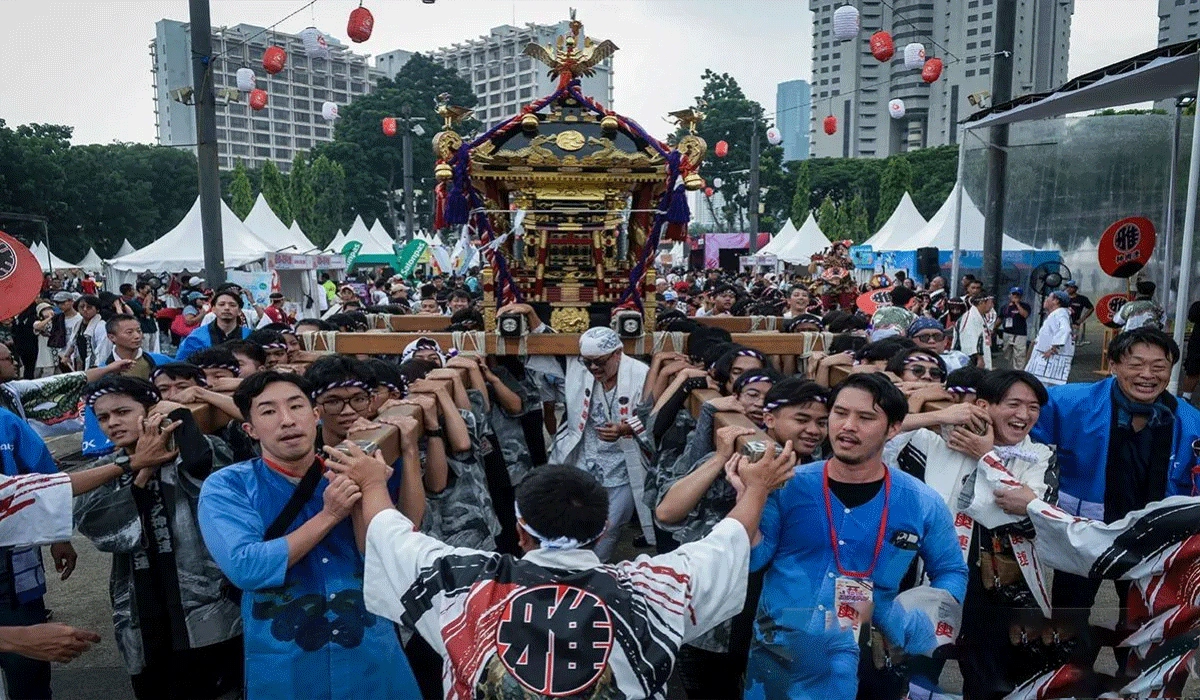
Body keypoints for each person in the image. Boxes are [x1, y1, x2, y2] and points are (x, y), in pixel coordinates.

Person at [347, 438, 794, 700]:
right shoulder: (650, 589)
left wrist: (371, 481)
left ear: (519, 531)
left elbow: (390, 533)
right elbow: (726, 542)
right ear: (603, 528)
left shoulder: (463, 582)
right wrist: (754, 489)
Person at [197, 371, 422, 699]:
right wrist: (329, 515)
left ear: (315, 415)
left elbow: (392, 552)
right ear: (250, 429)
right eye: (269, 412)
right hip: (286, 663)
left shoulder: (350, 467)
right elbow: (246, 567)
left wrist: (400, 457)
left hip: (371, 654)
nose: (287, 420)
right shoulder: (227, 487)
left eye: (296, 406)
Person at [744, 373, 968, 700]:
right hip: (783, 653)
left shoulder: (920, 502)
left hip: (875, 655)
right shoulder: (787, 485)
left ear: (893, 428)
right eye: (839, 413)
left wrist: (919, 625)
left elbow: (951, 570)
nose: (848, 425)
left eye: (865, 418)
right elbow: (753, 559)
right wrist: (750, 496)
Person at [1030, 327, 1200, 673]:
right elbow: (1018, 427)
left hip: (1151, 544)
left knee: (1143, 620)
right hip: (1082, 533)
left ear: (1171, 370)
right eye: (1136, 364)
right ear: (1114, 365)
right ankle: (1064, 680)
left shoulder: (1190, 420)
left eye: (1159, 367)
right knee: (1069, 617)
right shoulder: (1069, 402)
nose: (1147, 376)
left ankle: (1134, 683)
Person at [889, 370, 1057, 698]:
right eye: (1014, 404)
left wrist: (986, 457)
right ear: (982, 405)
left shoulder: (1041, 456)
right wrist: (931, 412)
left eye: (1033, 407)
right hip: (935, 577)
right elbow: (878, 441)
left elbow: (1031, 519)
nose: (1024, 415)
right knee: (914, 672)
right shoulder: (936, 440)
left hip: (1003, 588)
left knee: (992, 679)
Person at [74, 376, 242, 699]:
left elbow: (216, 485)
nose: (113, 423)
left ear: (150, 411)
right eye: (103, 418)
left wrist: (184, 423)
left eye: (122, 412)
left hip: (207, 610)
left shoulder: (198, 449)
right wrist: (140, 469)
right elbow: (100, 531)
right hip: (142, 613)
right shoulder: (105, 469)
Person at [543, 326, 654, 560]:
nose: (594, 368)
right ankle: (571, 564)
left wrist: (626, 428)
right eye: (588, 362)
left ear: (617, 353)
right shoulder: (579, 369)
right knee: (576, 517)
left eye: (600, 362)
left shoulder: (640, 373)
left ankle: (596, 567)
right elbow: (545, 341)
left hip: (623, 464)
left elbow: (653, 413)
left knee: (611, 525)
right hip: (585, 459)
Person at [176, 290, 251, 362]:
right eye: (221, 304)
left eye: (232, 305)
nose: (227, 308)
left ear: (239, 311)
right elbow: (181, 365)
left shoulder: (250, 337)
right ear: (213, 309)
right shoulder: (196, 337)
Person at [1024, 290, 1075, 386]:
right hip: (1044, 358)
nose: (1046, 300)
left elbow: (1065, 329)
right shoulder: (1058, 314)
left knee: (1043, 388)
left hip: (1049, 360)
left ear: (1056, 301)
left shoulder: (1060, 313)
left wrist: (1053, 348)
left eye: (1049, 297)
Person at [103, 314, 174, 378]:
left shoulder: (160, 361)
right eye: (129, 332)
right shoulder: (104, 370)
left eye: (139, 331)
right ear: (112, 337)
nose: (137, 336)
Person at [955, 294, 994, 369]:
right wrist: (979, 358)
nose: (992, 305)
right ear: (981, 302)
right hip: (973, 359)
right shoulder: (970, 318)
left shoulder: (979, 315)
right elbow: (970, 340)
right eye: (990, 302)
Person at [1000, 287, 1032, 370]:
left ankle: (1019, 371)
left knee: (1019, 355)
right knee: (1007, 355)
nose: (1015, 296)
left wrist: (1017, 304)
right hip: (1007, 333)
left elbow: (1025, 315)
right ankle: (1009, 371)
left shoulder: (1025, 306)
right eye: (1013, 294)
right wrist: (993, 328)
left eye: (1017, 295)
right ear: (1010, 295)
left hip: (1019, 334)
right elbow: (1000, 318)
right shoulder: (1005, 307)